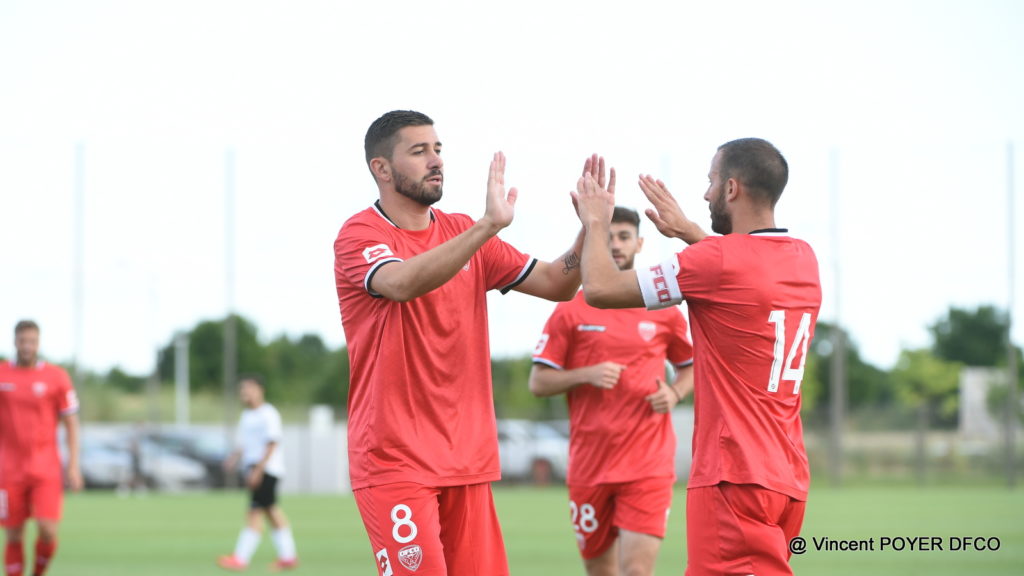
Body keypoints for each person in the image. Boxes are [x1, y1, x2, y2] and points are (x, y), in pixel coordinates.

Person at [334, 110, 591, 576]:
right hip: (395, 461)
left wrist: (589, 229)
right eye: (419, 152)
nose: (436, 161)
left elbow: (557, 283)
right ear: (382, 169)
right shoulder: (360, 234)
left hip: (467, 461)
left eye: (438, 150)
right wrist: (485, 228)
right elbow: (400, 283)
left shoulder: (465, 232)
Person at [572, 139, 822, 576]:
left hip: (734, 474)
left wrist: (596, 222)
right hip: (787, 477)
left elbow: (600, 289)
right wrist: (689, 231)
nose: (704, 194)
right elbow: (741, 267)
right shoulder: (803, 258)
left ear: (730, 189)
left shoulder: (714, 259)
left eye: (709, 181)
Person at [529, 204, 695, 576]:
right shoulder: (570, 310)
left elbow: (691, 366)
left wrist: (675, 394)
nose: (616, 244)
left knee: (636, 571)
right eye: (607, 238)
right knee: (601, 572)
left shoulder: (662, 308)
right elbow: (538, 381)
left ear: (639, 243)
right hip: (590, 468)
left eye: (623, 237)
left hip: (648, 466)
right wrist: (584, 375)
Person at [0, 320, 82, 576]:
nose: (27, 346)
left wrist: (73, 465)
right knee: (14, 534)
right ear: (15, 342)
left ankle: (37, 572)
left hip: (45, 468)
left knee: (48, 531)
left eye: (32, 341)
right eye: (22, 341)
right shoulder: (2, 375)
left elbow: (71, 422)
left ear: (38, 343)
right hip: (8, 469)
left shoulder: (56, 377)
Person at [217, 374, 298, 572]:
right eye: (242, 390)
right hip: (254, 468)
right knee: (271, 511)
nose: (245, 393)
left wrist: (258, 471)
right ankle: (288, 556)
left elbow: (272, 443)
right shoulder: (247, 415)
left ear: (260, 390)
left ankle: (241, 558)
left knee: (254, 512)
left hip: (267, 469)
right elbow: (244, 445)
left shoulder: (268, 413)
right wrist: (233, 460)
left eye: (248, 389)